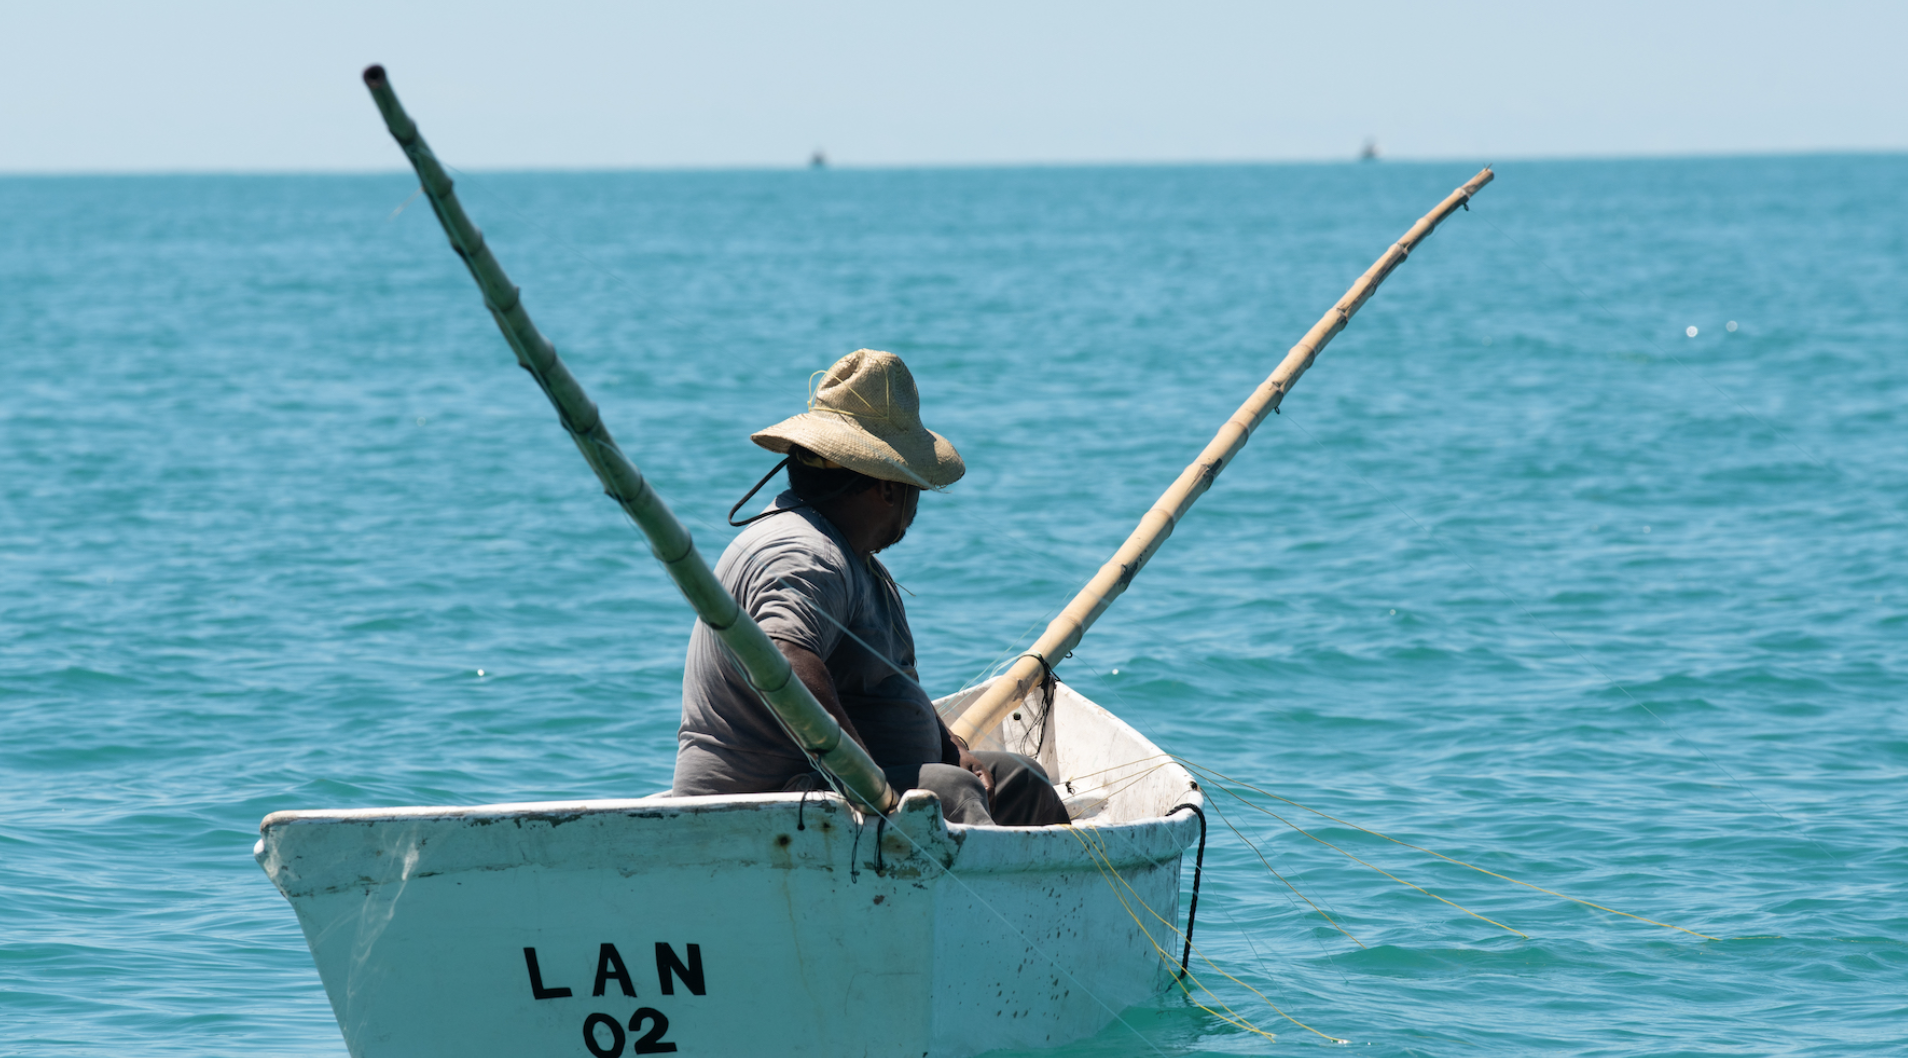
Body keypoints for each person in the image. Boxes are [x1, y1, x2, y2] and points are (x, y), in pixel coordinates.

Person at [672, 349, 1070, 827]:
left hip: (833, 786)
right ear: (888, 487)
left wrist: (948, 747)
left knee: (1020, 781)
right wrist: (872, 784)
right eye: (914, 484)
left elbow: (879, 682)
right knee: (954, 793)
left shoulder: (846, 553)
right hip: (773, 803)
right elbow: (787, 660)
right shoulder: (804, 553)